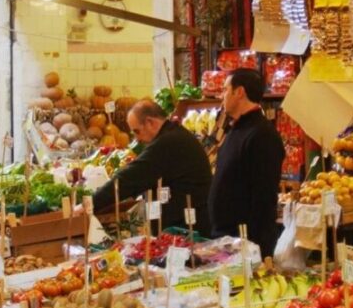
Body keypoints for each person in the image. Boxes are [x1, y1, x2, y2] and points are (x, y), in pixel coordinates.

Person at [90, 100, 212, 234]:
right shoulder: (174, 134)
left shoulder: (168, 142)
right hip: (185, 224)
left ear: (150, 122)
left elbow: (130, 177)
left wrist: (91, 203)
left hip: (188, 231)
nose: (137, 139)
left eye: (137, 131)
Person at [209, 67, 285, 259]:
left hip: (246, 244)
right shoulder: (236, 129)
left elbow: (264, 195)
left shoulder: (262, 134)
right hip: (227, 238)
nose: (222, 95)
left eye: (226, 89)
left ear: (239, 92)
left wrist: (252, 243)